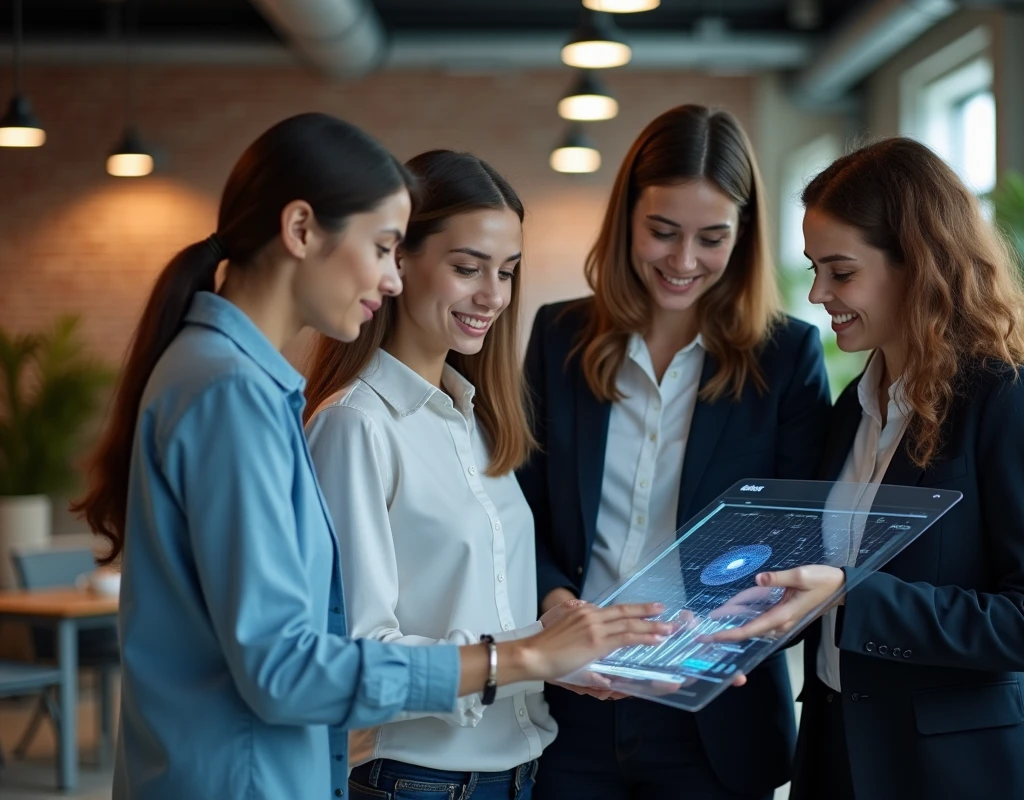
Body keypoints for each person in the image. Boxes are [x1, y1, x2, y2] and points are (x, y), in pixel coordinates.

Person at [71, 114, 672, 800]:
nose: (387, 279)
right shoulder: (239, 393)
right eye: (384, 248)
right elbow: (289, 667)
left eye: (505, 273)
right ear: (301, 231)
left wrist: (547, 655)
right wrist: (521, 656)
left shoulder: (250, 385)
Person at [709, 137, 1024, 800]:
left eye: (840, 271)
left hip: (956, 774)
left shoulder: (1008, 398)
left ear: (915, 262)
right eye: (814, 268)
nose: (818, 292)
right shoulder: (853, 405)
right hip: (834, 750)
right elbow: (816, 575)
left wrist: (852, 592)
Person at [518, 104, 831, 800]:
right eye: (662, 232)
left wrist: (730, 628)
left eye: (711, 238)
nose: (684, 262)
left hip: (714, 714)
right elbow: (522, 505)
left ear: (743, 235)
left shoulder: (787, 357)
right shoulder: (558, 337)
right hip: (570, 700)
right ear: (627, 216)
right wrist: (554, 605)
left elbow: (806, 535)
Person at [304, 150, 568, 800]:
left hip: (518, 771)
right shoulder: (355, 426)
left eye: (506, 272)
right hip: (416, 781)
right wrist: (529, 656)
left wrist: (569, 652)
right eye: (466, 268)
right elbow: (360, 654)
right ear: (397, 261)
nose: (493, 296)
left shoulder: (476, 422)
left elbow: (489, 612)